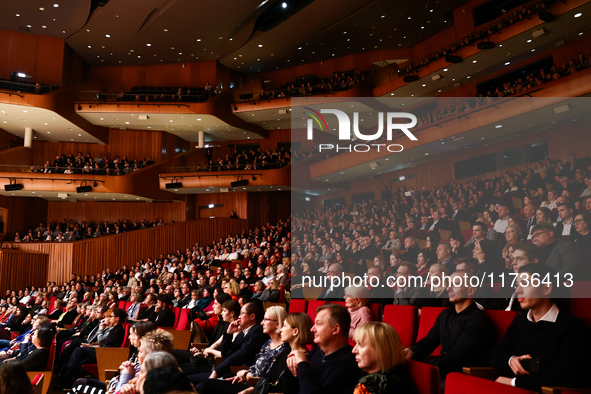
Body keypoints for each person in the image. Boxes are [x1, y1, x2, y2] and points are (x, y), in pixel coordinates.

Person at [490, 264, 591, 392]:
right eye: (517, 285)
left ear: (546, 288)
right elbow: (495, 355)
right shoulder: (519, 322)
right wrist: (511, 360)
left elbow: (568, 376)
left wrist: (514, 382)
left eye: (525, 283)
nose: (518, 290)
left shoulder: (572, 327)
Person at [403, 270, 495, 381]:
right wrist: (411, 351)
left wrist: (423, 367)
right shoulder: (444, 315)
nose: (448, 289)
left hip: (463, 376)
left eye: (455, 284)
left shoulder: (478, 320)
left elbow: (458, 358)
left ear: (471, 290)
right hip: (443, 370)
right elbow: (429, 341)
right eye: (449, 284)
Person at [196, 305, 289, 394]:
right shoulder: (268, 343)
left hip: (257, 387)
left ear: (277, 324)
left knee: (207, 385)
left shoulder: (284, 349)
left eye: (266, 320)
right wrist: (229, 334)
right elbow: (227, 354)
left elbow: (270, 377)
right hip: (246, 380)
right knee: (201, 385)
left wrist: (245, 374)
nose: (262, 323)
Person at [284, 303, 365, 394]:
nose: (312, 329)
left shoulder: (350, 362)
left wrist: (302, 363)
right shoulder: (317, 351)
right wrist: (291, 365)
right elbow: (291, 388)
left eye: (318, 324)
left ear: (335, 329)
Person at [187, 301, 270, 384]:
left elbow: (242, 353)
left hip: (239, 375)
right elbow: (226, 353)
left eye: (242, 313)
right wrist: (229, 334)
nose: (239, 317)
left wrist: (217, 371)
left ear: (252, 316)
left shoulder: (258, 332)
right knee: (188, 378)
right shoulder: (243, 332)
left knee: (194, 382)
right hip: (228, 371)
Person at [352, 322, 416, 394]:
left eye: (360, 344)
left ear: (380, 349)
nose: (354, 350)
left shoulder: (396, 386)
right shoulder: (361, 374)